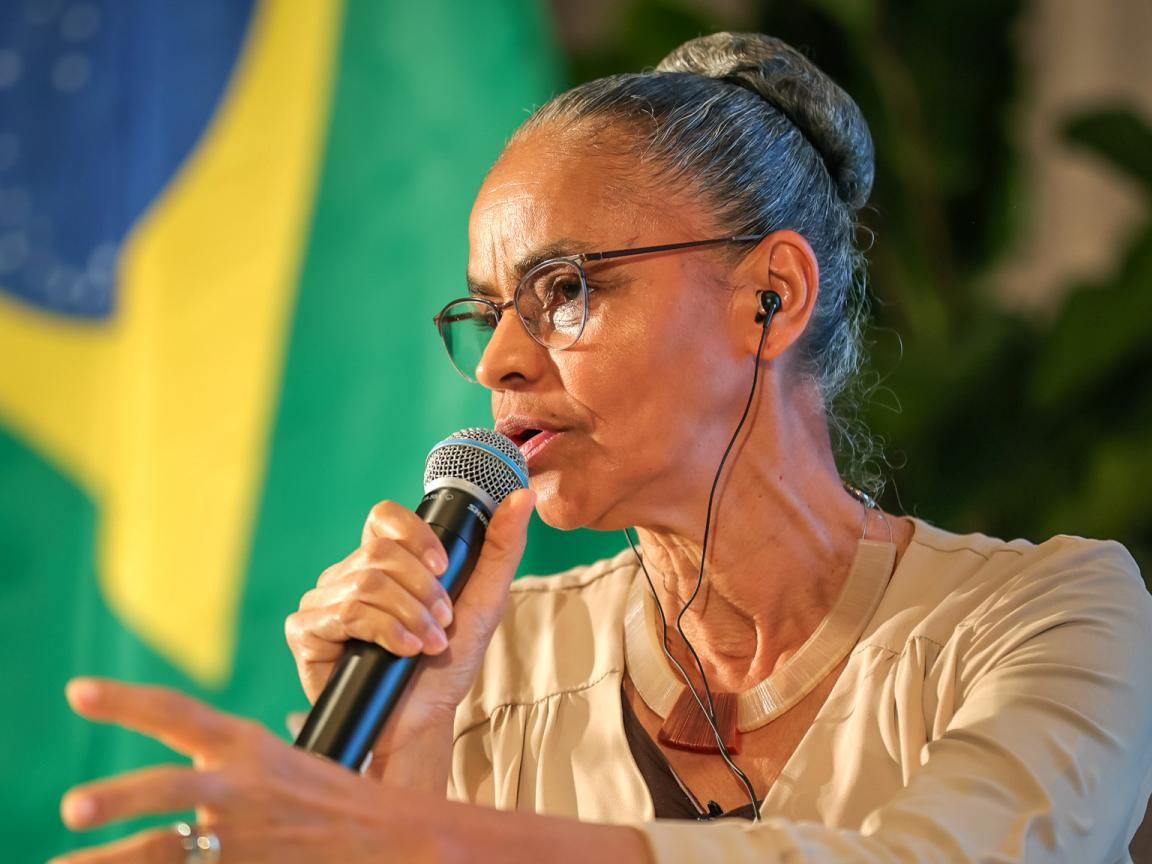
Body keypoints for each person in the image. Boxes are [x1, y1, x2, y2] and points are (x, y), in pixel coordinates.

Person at [56, 32, 1152, 864]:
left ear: (771, 295)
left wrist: (406, 834)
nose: (498, 363)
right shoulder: (487, 661)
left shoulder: (1053, 615)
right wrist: (413, 744)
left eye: (565, 290)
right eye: (486, 312)